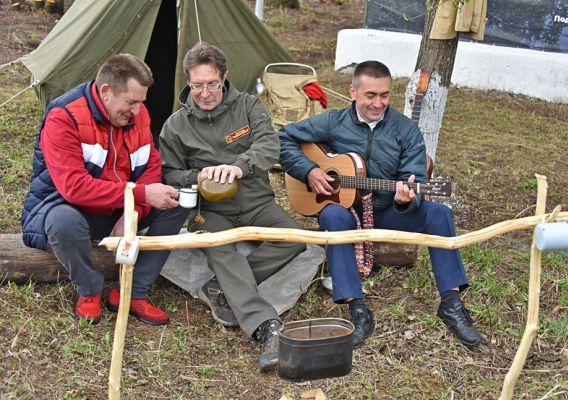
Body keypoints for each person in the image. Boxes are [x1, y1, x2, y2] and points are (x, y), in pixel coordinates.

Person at [279, 60, 483, 348]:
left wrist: (405, 200)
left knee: (439, 213)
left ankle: (451, 304)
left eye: (384, 95)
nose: (378, 103)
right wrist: (309, 171)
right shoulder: (333, 121)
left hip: (389, 210)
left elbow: (414, 179)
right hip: (349, 211)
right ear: (353, 91)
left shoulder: (405, 130)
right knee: (332, 216)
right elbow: (284, 137)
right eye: (370, 96)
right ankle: (357, 307)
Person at [159, 43, 306, 372]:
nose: (205, 93)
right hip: (210, 210)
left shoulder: (248, 106)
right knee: (219, 247)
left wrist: (241, 165)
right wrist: (199, 175)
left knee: (296, 238)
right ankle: (267, 327)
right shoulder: (176, 125)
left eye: (212, 83)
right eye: (197, 85)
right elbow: (167, 173)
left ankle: (222, 286)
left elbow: (270, 144)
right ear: (188, 82)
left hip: (256, 201)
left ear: (224, 77)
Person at [21, 54, 189, 326]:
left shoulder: (138, 114)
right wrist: (139, 195)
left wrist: (132, 212)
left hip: (117, 207)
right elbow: (74, 188)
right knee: (63, 222)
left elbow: (150, 166)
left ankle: (132, 292)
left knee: (178, 201)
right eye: (131, 102)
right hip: (69, 209)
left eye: (141, 102)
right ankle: (89, 289)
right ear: (106, 92)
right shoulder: (63, 117)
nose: (137, 111)